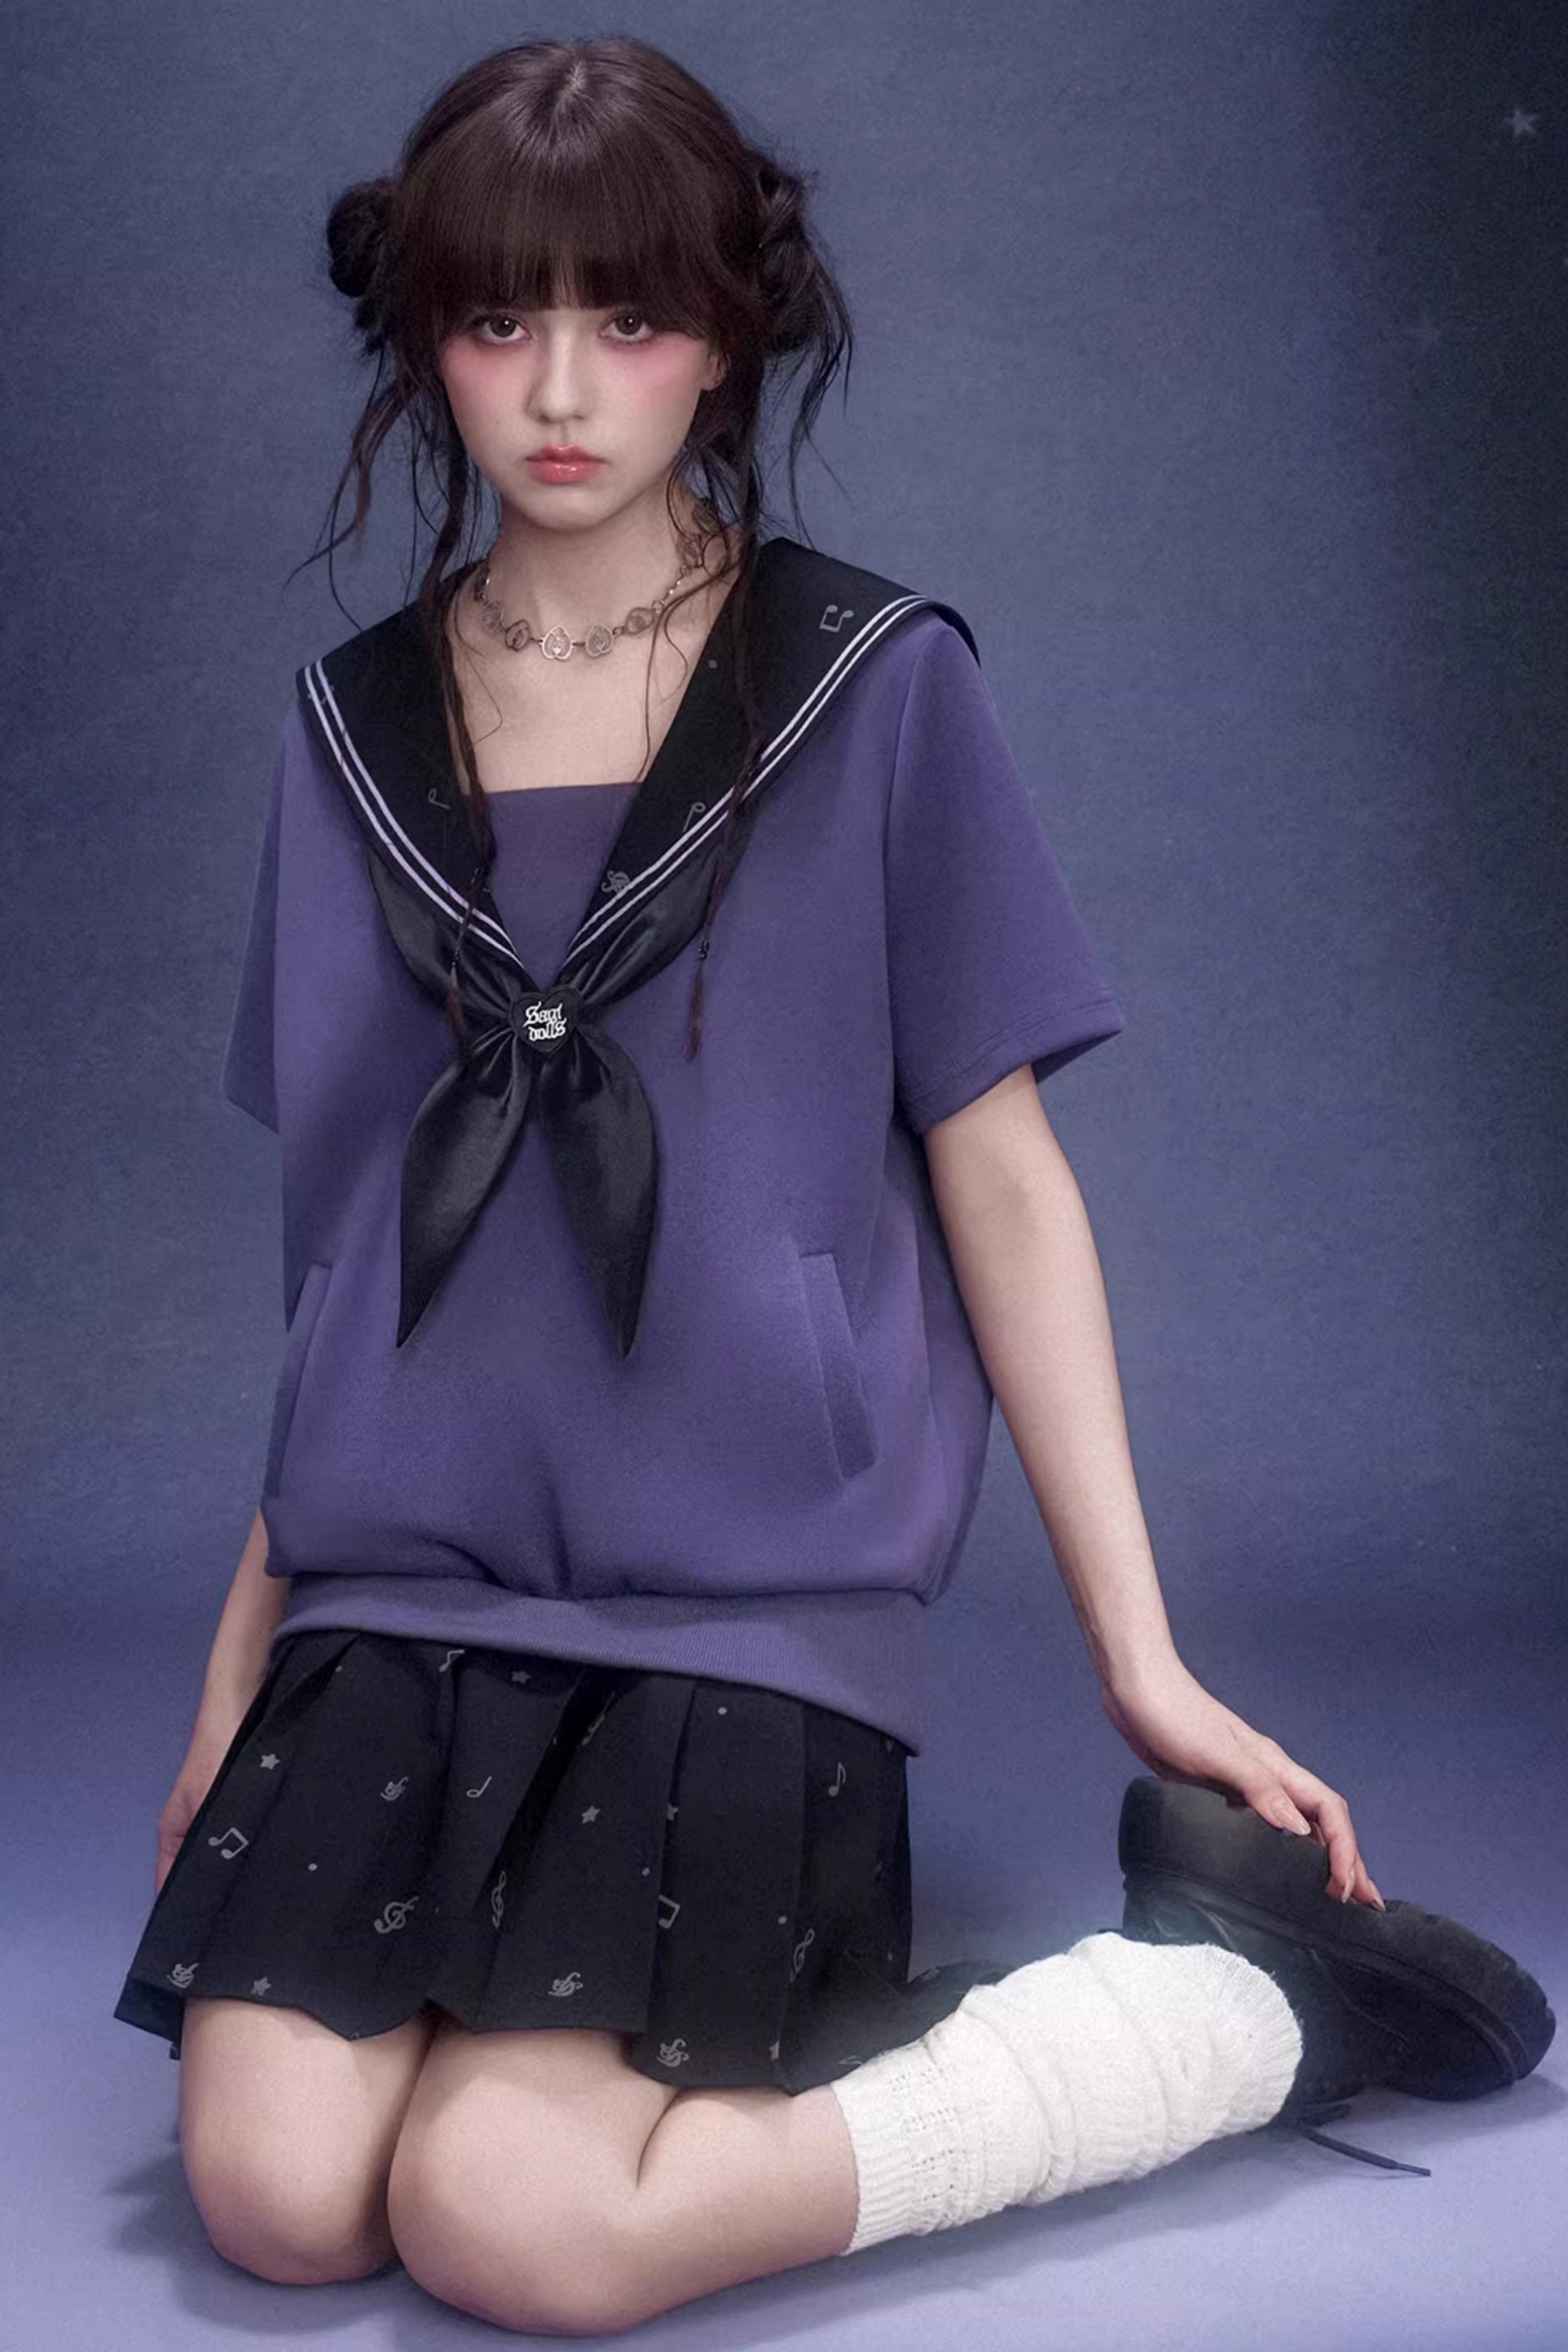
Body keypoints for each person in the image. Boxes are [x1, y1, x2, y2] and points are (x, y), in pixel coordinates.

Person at [112, 33, 1553, 2336]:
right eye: (496, 322)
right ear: (424, 344)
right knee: (280, 2202)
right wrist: (235, 1678)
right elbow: (350, 1260)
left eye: (628, 318)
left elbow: (1007, 1186)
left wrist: (1142, 1659)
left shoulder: (869, 688)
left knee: (513, 2223)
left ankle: (1224, 2018)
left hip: (737, 1620)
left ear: (727, 334)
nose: (558, 390)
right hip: (398, 1611)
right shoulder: (349, 734)